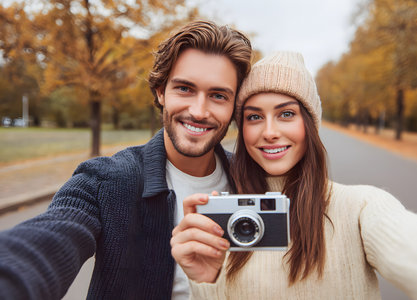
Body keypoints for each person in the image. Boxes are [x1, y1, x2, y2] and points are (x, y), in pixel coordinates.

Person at [0, 20, 252, 299]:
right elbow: (50, 237)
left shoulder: (256, 182)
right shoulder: (105, 180)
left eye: (218, 95)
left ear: (234, 107)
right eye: (184, 89)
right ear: (160, 91)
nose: (199, 110)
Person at [171, 51, 417, 299]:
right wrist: (205, 282)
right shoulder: (223, 220)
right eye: (254, 117)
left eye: (286, 114)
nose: (269, 132)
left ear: (310, 124)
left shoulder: (360, 208)